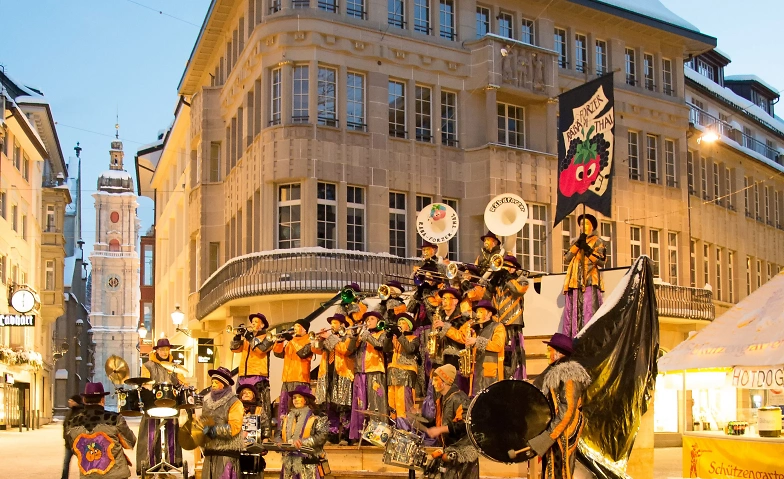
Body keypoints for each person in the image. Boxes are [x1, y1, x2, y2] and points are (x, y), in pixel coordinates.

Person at [528, 333, 591, 479]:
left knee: (560, 470)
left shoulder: (569, 375)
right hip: (555, 428)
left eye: (549, 350)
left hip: (565, 430)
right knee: (551, 468)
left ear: (558, 353)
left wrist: (549, 436)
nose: (547, 354)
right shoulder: (553, 372)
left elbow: (567, 410)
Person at [65, 382, 137, 479]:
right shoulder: (115, 419)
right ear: (103, 399)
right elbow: (130, 442)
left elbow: (72, 448)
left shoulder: (73, 423)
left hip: (88, 475)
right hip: (116, 475)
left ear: (84, 400)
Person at [137, 338, 187, 474]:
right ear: (157, 350)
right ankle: (149, 464)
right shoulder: (148, 366)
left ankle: (170, 464)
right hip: (152, 404)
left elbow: (182, 383)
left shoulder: (175, 367)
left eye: (167, 349)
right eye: (162, 349)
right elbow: (145, 384)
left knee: (171, 434)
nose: (165, 352)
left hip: (171, 404)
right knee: (151, 434)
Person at [424, 364, 479, 479]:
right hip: (451, 451)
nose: (433, 383)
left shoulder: (459, 398)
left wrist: (440, 429)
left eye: (436, 380)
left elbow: (465, 425)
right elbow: (442, 421)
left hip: (462, 453)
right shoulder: (442, 399)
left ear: (444, 381)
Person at [192, 367, 245, 479]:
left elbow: (234, 427)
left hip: (226, 453)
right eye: (212, 382)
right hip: (210, 453)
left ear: (224, 384)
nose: (213, 385)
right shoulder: (207, 403)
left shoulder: (235, 403)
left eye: (217, 382)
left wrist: (213, 430)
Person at [312, 313, 354, 445]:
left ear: (342, 324)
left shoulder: (347, 336)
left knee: (344, 407)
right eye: (331, 323)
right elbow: (316, 350)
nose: (332, 325)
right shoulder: (328, 338)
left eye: (335, 323)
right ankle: (332, 435)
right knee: (330, 407)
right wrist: (318, 339)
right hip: (327, 375)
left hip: (343, 375)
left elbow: (345, 350)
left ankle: (346, 436)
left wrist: (330, 337)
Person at [562, 213, 607, 337]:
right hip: (574, 282)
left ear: (592, 226)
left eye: (586, 223)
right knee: (574, 315)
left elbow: (601, 261)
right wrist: (578, 244)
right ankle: (573, 339)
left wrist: (587, 249)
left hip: (589, 281)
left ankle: (589, 339)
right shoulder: (575, 242)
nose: (583, 226)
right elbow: (566, 258)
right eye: (581, 224)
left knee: (588, 312)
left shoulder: (598, 241)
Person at [231, 312, 275, 438]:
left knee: (260, 405)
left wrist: (249, 337)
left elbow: (261, 349)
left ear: (262, 325)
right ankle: (241, 431)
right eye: (252, 322)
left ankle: (263, 433)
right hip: (243, 375)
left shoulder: (268, 337)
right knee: (241, 405)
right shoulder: (247, 338)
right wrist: (237, 337)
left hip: (258, 375)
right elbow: (234, 349)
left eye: (256, 322)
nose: (253, 324)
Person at [348, 311, 387, 442]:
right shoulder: (362, 335)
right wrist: (355, 337)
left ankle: (377, 437)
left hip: (375, 371)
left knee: (376, 404)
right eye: (367, 320)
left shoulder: (382, 333)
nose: (368, 322)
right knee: (359, 405)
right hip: (360, 372)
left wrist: (367, 336)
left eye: (371, 319)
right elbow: (350, 351)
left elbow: (380, 346)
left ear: (378, 321)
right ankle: (358, 436)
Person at [275, 385, 329, 479]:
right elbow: (278, 434)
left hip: (308, 464)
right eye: (294, 398)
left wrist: (303, 443)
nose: (296, 400)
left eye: (299, 397)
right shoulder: (287, 417)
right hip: (289, 464)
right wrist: (279, 443)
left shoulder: (317, 416)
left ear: (306, 400)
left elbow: (322, 436)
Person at [491, 255, 529, 379]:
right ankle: (502, 377)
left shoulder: (521, 279)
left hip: (513, 323)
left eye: (508, 266)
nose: (505, 268)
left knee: (514, 354)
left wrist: (507, 278)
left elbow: (519, 290)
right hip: (498, 323)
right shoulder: (499, 282)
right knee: (501, 354)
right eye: (504, 265)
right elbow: (485, 296)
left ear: (514, 268)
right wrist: (491, 283)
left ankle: (517, 377)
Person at [273, 318, 313, 420]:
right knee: (284, 407)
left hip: (300, 378)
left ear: (305, 329)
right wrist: (279, 341)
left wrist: (291, 339)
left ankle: (298, 427)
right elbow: (278, 354)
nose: (295, 328)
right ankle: (283, 427)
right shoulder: (291, 341)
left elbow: (302, 353)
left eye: (298, 326)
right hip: (286, 379)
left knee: (297, 407)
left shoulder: (309, 340)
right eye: (294, 326)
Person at [385, 312, 420, 430]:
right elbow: (386, 349)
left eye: (403, 322)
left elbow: (410, 349)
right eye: (398, 322)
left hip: (405, 376)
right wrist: (389, 336)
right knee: (392, 405)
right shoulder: (395, 338)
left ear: (409, 326)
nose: (399, 324)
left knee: (403, 405)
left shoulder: (414, 338)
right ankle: (394, 429)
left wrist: (399, 334)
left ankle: (406, 431)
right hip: (393, 376)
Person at [462, 300, 505, 396]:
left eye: (481, 312)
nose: (477, 314)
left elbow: (497, 346)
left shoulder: (498, 326)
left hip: (490, 375)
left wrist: (477, 341)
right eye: (477, 312)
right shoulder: (476, 329)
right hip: (476, 373)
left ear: (489, 314)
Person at [61, 394, 84, 479]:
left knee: (83, 463)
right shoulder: (69, 412)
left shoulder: (82, 412)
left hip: (79, 443)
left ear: (76, 402)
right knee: (66, 462)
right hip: (68, 443)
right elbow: (65, 425)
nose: (69, 402)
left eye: (71, 400)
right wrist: (65, 437)